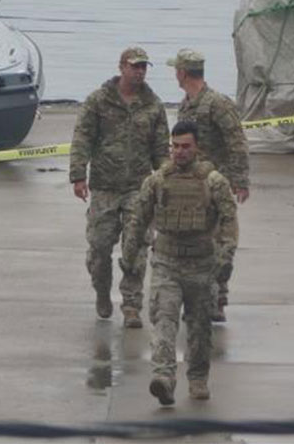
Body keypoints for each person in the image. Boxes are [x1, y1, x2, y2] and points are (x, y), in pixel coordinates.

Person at [121, 121, 238, 405]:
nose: (179, 152)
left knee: (199, 329)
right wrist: (129, 252)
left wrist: (225, 258)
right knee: (164, 321)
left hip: (201, 265)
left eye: (185, 146)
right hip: (166, 262)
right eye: (175, 146)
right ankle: (164, 377)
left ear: (196, 147)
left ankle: (197, 378)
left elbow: (228, 220)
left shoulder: (214, 182)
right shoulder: (157, 180)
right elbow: (138, 218)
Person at [69, 46, 170, 329]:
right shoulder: (99, 101)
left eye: (144, 67)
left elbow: (161, 149)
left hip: (138, 186)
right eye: (135, 66)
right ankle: (102, 291)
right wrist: (78, 175)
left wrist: (164, 181)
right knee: (100, 247)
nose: (139, 72)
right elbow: (82, 138)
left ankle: (131, 304)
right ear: (121, 67)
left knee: (136, 247)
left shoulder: (153, 105)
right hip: (104, 186)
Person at [168, 48, 249, 323]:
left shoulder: (217, 103)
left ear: (182, 72)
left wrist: (239, 181)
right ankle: (201, 296)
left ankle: (218, 300)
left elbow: (236, 141)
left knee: (220, 244)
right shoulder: (185, 105)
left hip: (217, 184)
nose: (175, 76)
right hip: (190, 188)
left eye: (176, 71)